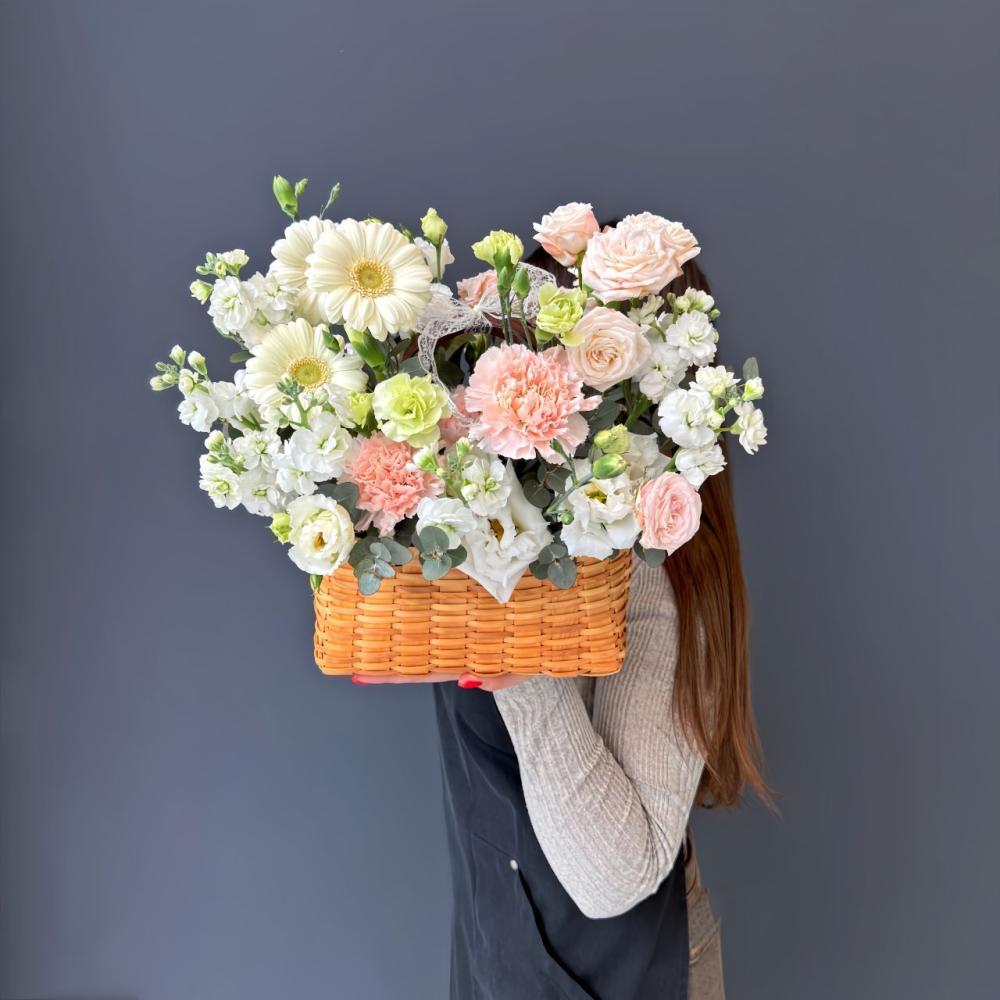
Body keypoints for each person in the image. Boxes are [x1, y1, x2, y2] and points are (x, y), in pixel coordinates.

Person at [353, 250, 768, 1000]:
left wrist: (513, 662)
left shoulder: (658, 575)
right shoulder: (498, 504)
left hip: (624, 977)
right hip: (500, 947)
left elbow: (618, 877)